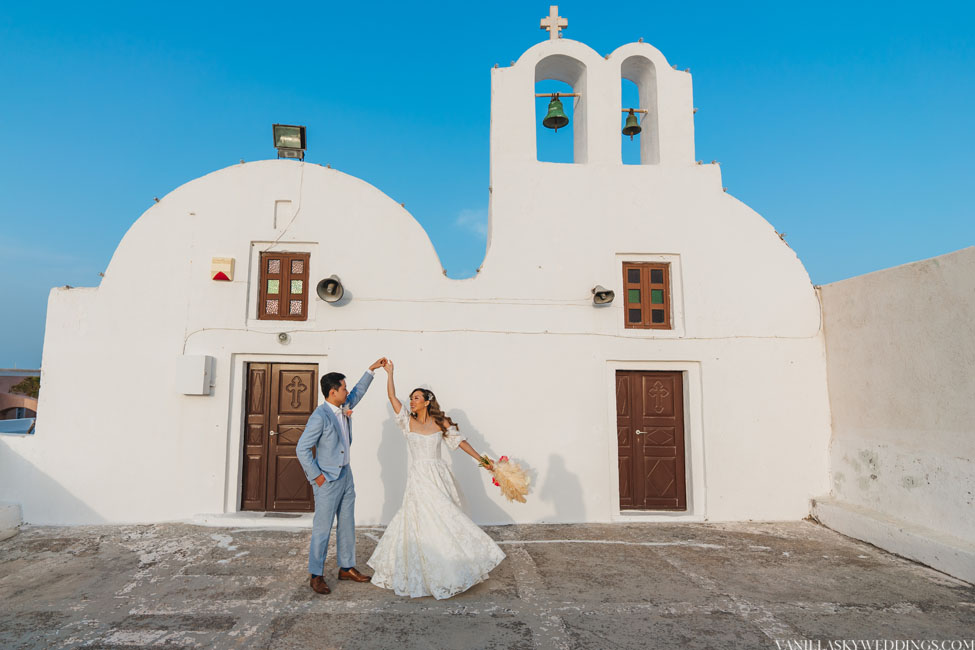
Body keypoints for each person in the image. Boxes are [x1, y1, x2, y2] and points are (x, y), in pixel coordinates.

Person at [367, 359, 505, 599]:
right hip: (418, 478)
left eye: (417, 397)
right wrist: (389, 373)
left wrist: (486, 463)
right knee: (420, 523)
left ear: (427, 401)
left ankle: (459, 565)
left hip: (438, 476)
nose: (412, 401)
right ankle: (427, 571)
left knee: (446, 519)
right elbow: (392, 398)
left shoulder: (441, 422)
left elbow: (461, 443)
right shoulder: (406, 422)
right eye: (411, 398)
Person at [296, 358, 387, 595]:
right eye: (343, 388)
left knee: (347, 524)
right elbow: (302, 448)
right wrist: (317, 477)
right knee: (322, 529)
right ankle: (316, 575)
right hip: (327, 480)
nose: (347, 391)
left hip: (346, 475)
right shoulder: (320, 416)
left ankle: (346, 567)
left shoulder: (343, 405)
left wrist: (371, 370)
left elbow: (358, 391)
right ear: (333, 391)